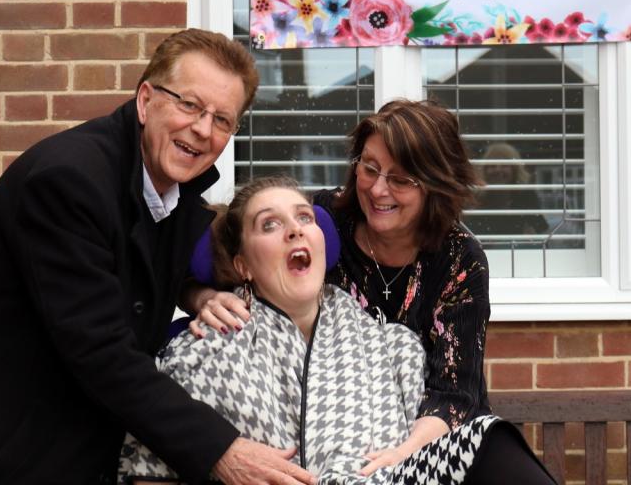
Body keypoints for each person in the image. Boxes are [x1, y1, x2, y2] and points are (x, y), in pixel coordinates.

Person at [0, 29, 315, 485]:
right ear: (145, 100)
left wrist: (195, 293)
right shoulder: (67, 182)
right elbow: (101, 351)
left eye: (223, 120)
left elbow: (137, 258)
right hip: (5, 454)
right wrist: (222, 451)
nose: (202, 129)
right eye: (190, 105)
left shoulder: (172, 187)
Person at [121, 177, 553, 484]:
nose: (293, 229)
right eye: (269, 225)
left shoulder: (393, 347)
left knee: (485, 440)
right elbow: (150, 469)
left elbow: (424, 457)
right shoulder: (200, 353)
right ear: (242, 266)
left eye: (304, 218)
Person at [189, 99, 528, 477]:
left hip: (428, 443)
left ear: (434, 186)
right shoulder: (324, 223)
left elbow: (455, 392)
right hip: (340, 443)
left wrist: (404, 454)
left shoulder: (459, 258)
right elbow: (232, 254)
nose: (378, 189)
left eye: (400, 179)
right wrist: (203, 296)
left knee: (492, 440)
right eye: (369, 168)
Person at [469, 142, 548, 241]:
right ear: (484, 170)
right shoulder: (476, 198)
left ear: (515, 170)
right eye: (492, 166)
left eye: (505, 165)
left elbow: (540, 231)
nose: (498, 170)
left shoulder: (526, 196)